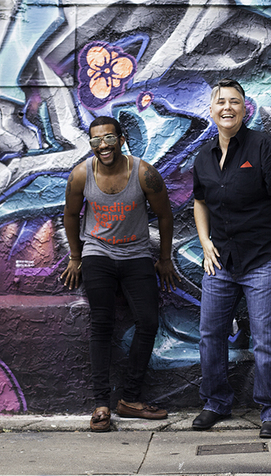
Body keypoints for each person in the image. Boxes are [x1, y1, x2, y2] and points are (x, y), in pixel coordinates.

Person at [192, 79, 271, 438]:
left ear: (245, 108)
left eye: (234, 102)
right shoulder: (204, 156)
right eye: (220, 102)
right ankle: (215, 403)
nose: (227, 107)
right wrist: (204, 241)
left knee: (266, 339)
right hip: (221, 261)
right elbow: (199, 202)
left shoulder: (264, 148)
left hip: (264, 258)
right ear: (211, 110)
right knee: (210, 334)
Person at [61, 116, 180, 432]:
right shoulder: (81, 175)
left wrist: (165, 259)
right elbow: (70, 215)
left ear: (122, 140)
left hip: (137, 255)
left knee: (148, 322)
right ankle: (101, 405)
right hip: (97, 253)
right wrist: (75, 256)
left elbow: (165, 216)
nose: (103, 145)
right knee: (102, 325)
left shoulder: (143, 173)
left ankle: (129, 399)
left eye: (109, 138)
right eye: (96, 140)